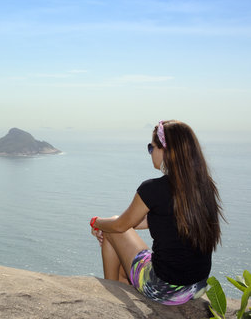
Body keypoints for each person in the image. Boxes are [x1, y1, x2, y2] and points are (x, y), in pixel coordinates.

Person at [90, 120, 224, 305]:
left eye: (151, 147)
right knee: (120, 262)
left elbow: (121, 224)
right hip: (196, 285)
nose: (150, 152)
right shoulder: (203, 186)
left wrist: (96, 222)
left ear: (166, 150)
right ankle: (119, 284)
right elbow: (155, 221)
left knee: (111, 228)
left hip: (164, 288)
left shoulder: (153, 189)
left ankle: (112, 302)